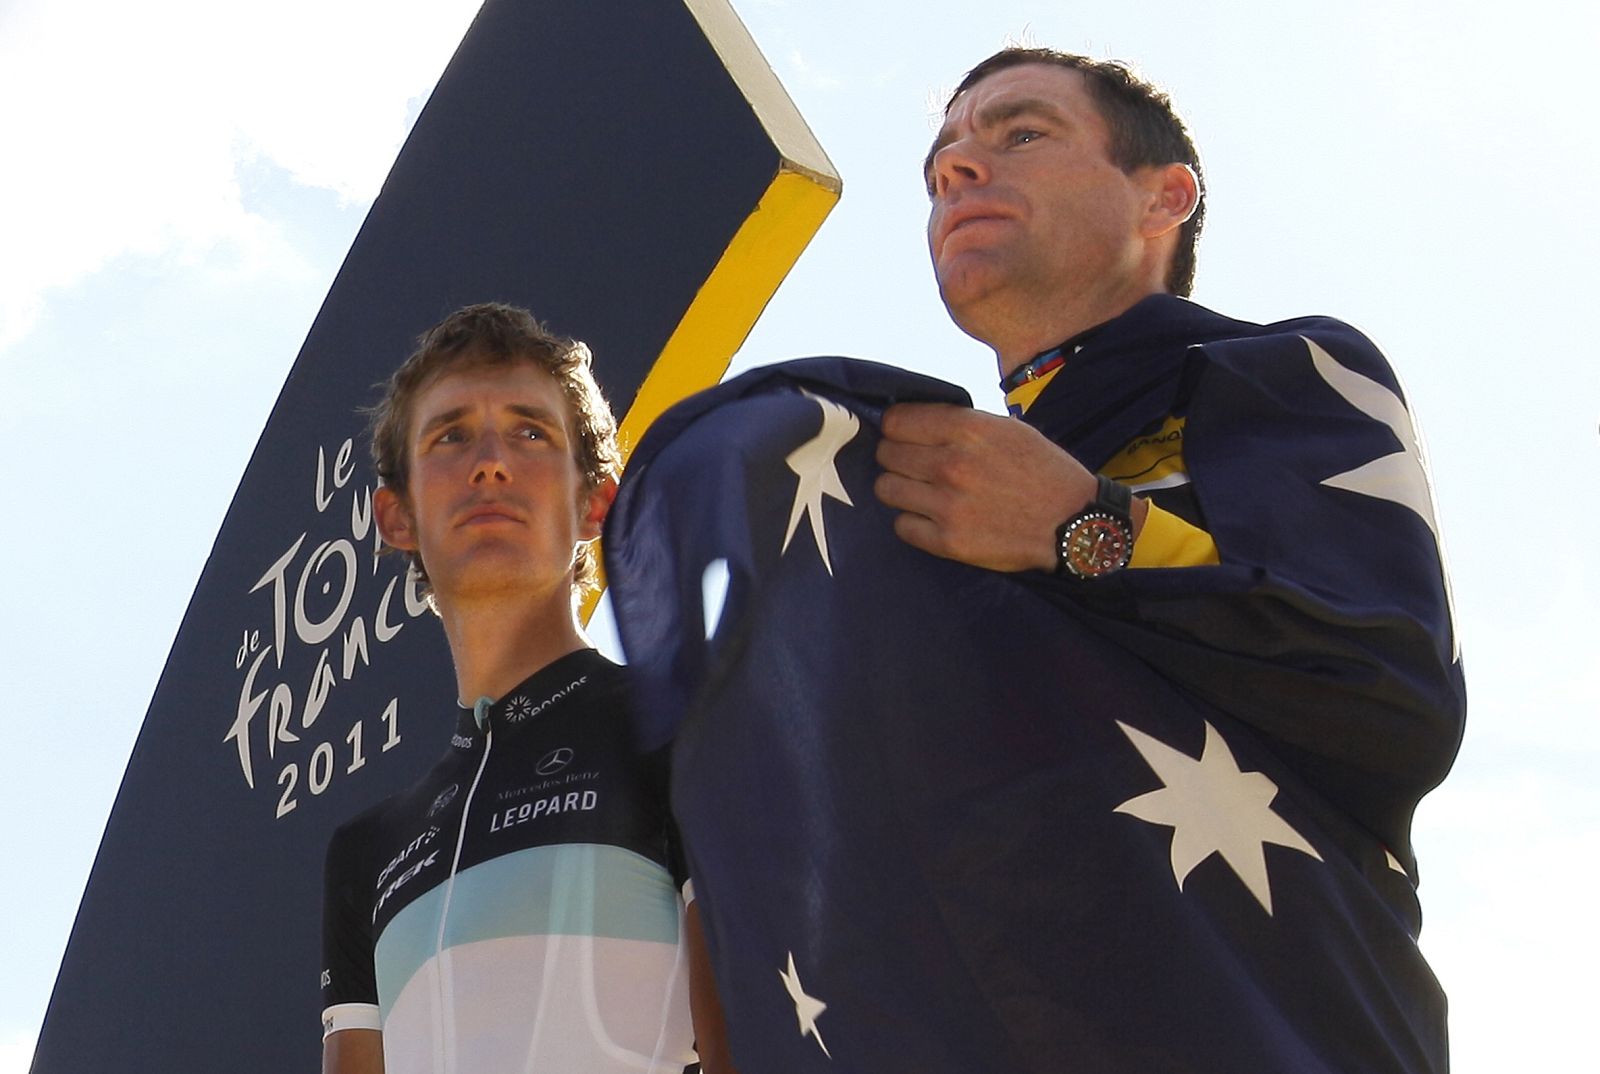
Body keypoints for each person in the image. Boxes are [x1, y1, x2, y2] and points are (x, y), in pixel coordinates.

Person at [601, 47, 1463, 1073]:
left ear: (1164, 197)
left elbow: (1389, 695)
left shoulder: (1281, 370)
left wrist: (1084, 532)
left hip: (1267, 1024)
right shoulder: (902, 497)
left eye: (1019, 133)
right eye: (939, 167)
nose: (959, 170)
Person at [318, 303, 731, 1074]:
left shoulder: (687, 720)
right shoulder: (365, 852)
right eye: (450, 436)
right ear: (396, 515)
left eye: (530, 432)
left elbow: (761, 1034)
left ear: (594, 503)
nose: (490, 463)